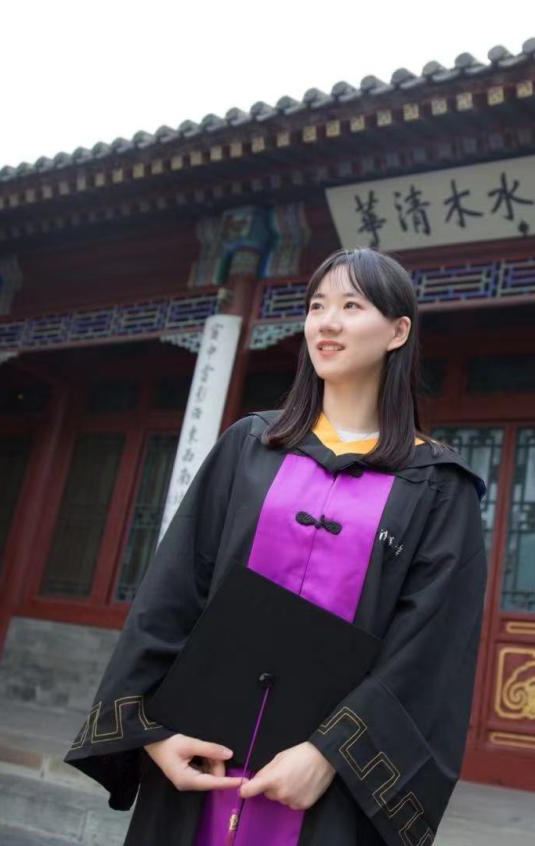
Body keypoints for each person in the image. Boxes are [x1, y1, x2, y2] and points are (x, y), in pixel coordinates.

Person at [63, 247, 487, 846]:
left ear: (398, 332)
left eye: (351, 306)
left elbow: (430, 649)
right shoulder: (250, 447)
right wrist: (153, 730)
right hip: (201, 752)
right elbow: (173, 590)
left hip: (328, 786)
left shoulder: (437, 486)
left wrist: (329, 754)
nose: (327, 322)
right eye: (316, 306)